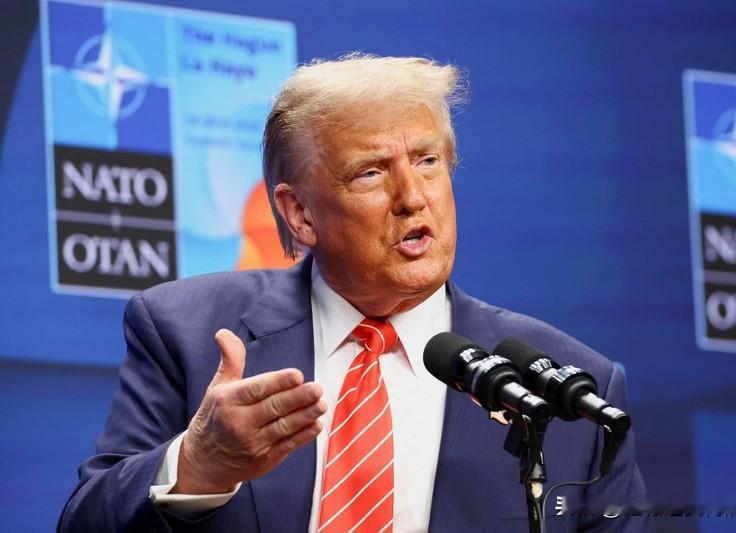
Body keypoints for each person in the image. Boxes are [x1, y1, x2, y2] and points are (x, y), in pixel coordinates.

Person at [59, 54, 651, 532]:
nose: (413, 197)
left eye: (428, 161)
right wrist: (197, 465)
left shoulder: (573, 389)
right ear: (299, 214)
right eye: (370, 172)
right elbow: (85, 522)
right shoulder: (186, 331)